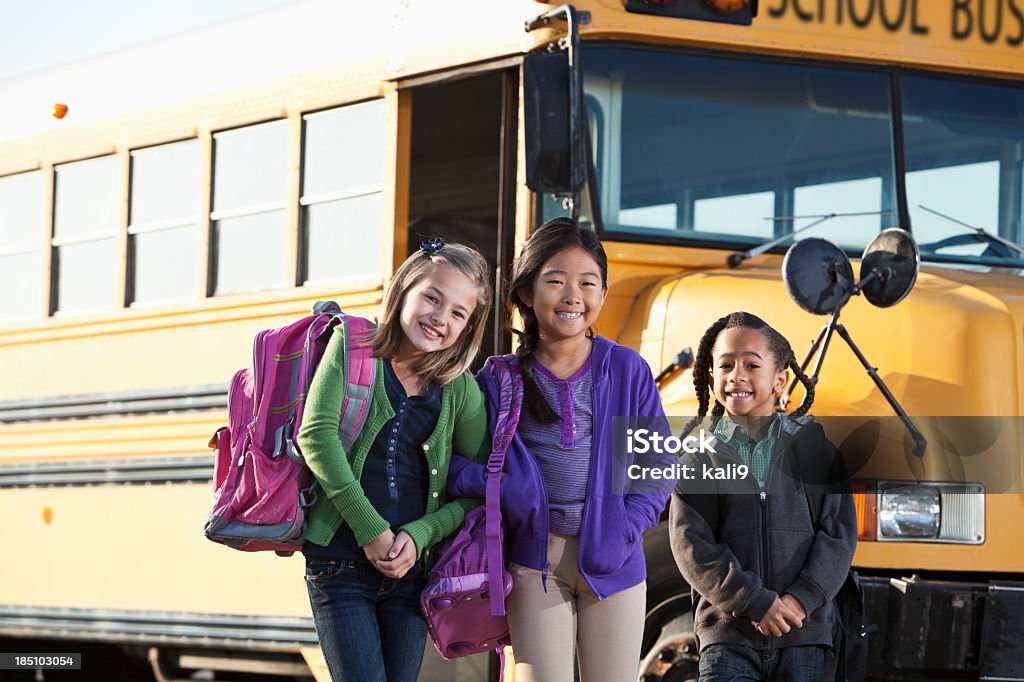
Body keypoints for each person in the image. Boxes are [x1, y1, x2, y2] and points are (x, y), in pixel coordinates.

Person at [446, 217, 674, 682]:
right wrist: (503, 489)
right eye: (556, 281)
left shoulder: (626, 368)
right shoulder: (498, 378)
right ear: (528, 292)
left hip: (617, 564)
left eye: (588, 283)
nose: (573, 295)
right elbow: (452, 461)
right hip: (533, 565)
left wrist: (627, 525)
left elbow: (659, 462)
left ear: (603, 295)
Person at [297, 239, 492, 682]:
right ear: (403, 289)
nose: (440, 318)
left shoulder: (460, 389)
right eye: (432, 297)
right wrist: (371, 531)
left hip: (412, 574)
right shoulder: (354, 344)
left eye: (458, 313)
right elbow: (317, 435)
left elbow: (481, 483)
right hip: (339, 563)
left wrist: (423, 533)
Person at [668, 311, 858, 681]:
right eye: (725, 366)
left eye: (751, 365)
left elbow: (838, 536)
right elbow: (693, 547)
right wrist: (756, 603)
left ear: (780, 380)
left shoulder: (817, 452)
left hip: (803, 634)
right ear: (711, 379)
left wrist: (800, 599)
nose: (736, 375)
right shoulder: (698, 459)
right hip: (728, 639)